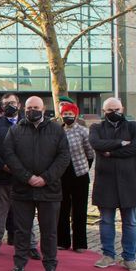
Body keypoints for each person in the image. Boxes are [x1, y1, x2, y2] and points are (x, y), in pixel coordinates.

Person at [3, 96, 70, 271]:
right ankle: (19, 263)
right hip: (22, 189)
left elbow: (64, 157)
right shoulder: (15, 130)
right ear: (24, 109)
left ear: (44, 108)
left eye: (36, 107)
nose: (33, 110)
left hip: (50, 189)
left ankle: (50, 265)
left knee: (49, 231)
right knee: (21, 230)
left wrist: (45, 178)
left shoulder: (57, 130)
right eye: (29, 107)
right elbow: (9, 155)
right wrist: (28, 177)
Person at [89, 97, 136, 271]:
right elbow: (96, 144)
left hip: (130, 181)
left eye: (116, 110)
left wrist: (111, 153)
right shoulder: (96, 128)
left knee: (130, 222)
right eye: (109, 110)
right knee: (106, 221)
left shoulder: (134, 127)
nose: (113, 113)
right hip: (106, 181)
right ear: (104, 112)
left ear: (122, 109)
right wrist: (121, 143)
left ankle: (130, 258)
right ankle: (108, 255)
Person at [0, 92, 38, 259]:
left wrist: (22, 169)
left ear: (19, 105)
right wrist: (3, 165)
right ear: (2, 106)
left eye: (13, 103)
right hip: (1, 177)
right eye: (6, 103)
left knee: (25, 214)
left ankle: (30, 244)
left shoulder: (29, 123)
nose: (10, 106)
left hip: (23, 178)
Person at [57, 101, 94, 253]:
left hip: (80, 174)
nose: (68, 116)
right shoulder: (58, 131)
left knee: (79, 210)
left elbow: (90, 153)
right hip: (62, 175)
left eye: (70, 114)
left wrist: (85, 167)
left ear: (76, 115)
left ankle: (80, 243)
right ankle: (62, 241)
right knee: (62, 210)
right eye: (65, 114)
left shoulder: (83, 131)